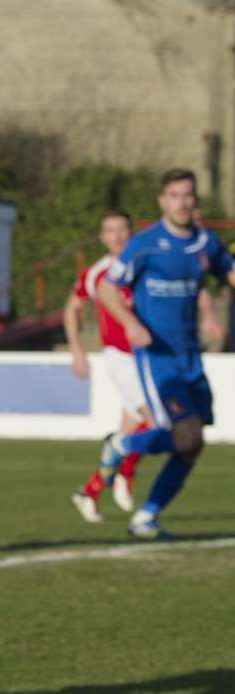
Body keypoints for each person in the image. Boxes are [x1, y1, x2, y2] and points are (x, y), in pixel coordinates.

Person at [94, 168, 230, 539]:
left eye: (187, 195)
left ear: (195, 200)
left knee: (194, 442)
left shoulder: (205, 243)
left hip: (191, 357)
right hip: (157, 358)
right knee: (185, 434)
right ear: (162, 200)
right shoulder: (146, 244)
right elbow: (107, 290)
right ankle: (123, 444)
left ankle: (146, 516)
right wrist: (131, 324)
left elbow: (227, 272)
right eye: (173, 195)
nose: (181, 202)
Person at [64, 210, 152, 522]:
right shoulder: (97, 273)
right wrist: (77, 350)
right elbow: (72, 307)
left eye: (122, 229)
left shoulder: (146, 264)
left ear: (132, 232)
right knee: (159, 421)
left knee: (135, 427)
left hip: (150, 359)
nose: (116, 236)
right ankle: (125, 469)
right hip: (122, 359)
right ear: (102, 237)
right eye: (109, 231)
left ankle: (90, 490)